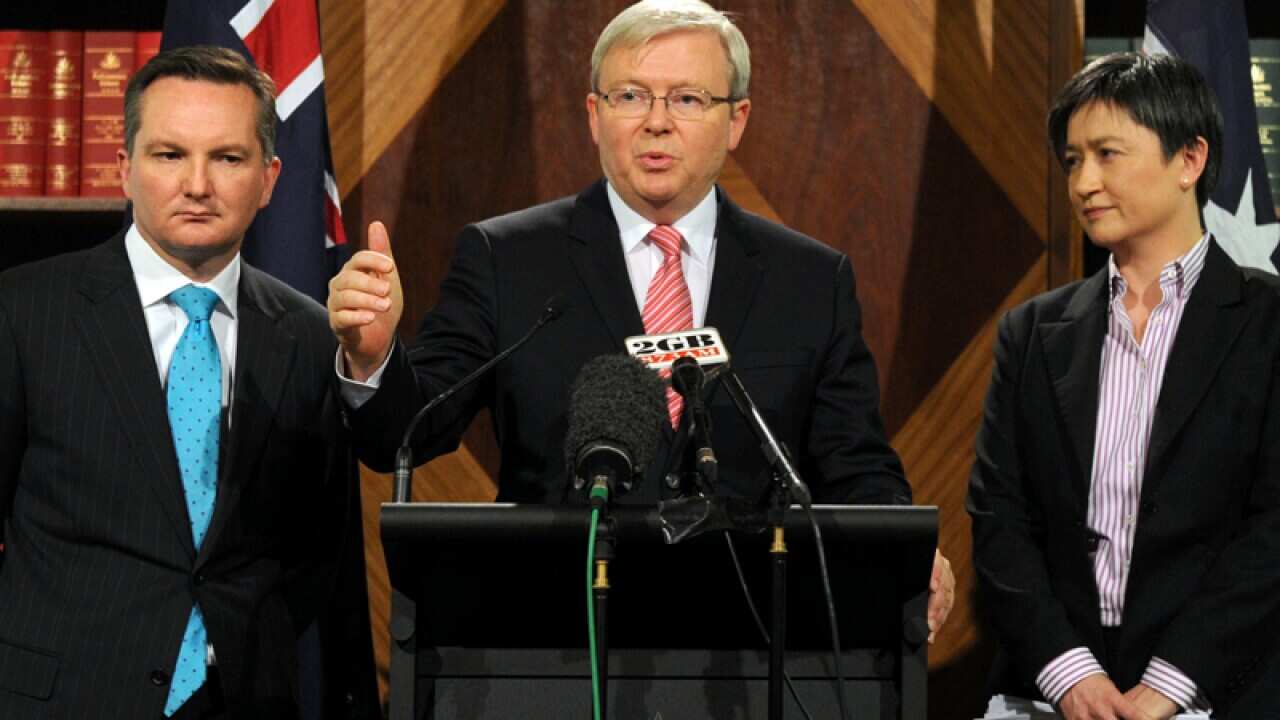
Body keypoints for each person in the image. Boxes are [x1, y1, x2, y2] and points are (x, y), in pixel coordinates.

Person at [329, 0, 953, 635]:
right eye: (631, 95)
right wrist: (373, 359)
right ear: (595, 115)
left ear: (736, 119)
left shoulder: (811, 280)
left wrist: (906, 549)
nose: (657, 123)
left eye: (687, 99)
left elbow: (856, 466)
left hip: (747, 640)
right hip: (553, 635)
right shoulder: (507, 258)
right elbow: (405, 433)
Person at [0, 46, 351, 719]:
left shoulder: (309, 335)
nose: (198, 184)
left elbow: (315, 552)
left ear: (270, 178)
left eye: (227, 158)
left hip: (245, 698)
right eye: (169, 155)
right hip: (60, 698)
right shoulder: (23, 313)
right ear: (124, 167)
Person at [968, 52, 1280, 719]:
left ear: (1189, 160)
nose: (1084, 182)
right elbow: (1000, 518)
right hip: (1050, 694)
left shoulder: (1268, 323)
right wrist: (1068, 672)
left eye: (1108, 154)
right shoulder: (1032, 331)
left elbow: (1272, 531)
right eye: (1074, 160)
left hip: (1224, 692)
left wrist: (1171, 683)